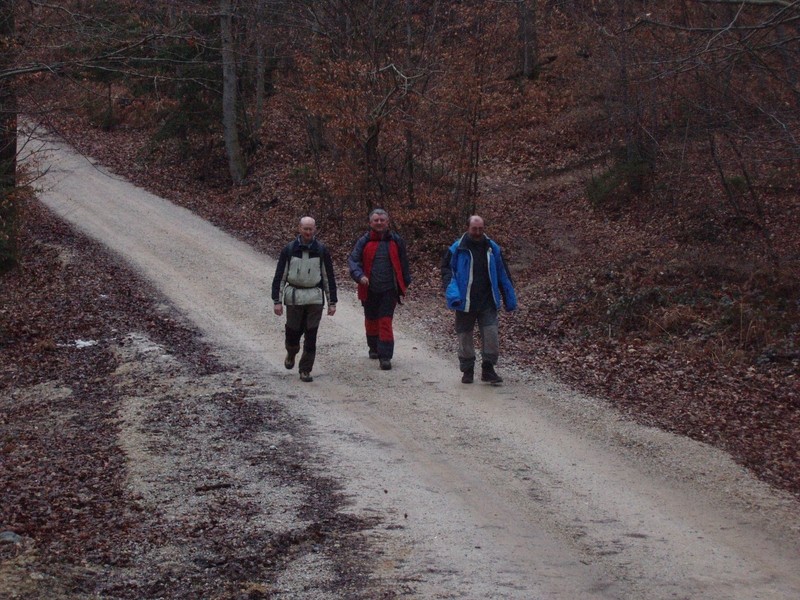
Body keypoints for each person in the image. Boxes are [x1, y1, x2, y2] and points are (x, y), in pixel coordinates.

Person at [441, 215, 517, 384]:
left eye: (480, 229)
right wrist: (451, 292)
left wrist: (509, 298)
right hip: (464, 302)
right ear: (467, 228)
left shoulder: (492, 248)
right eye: (474, 229)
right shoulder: (457, 248)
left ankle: (488, 370)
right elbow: (446, 271)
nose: (477, 232)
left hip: (488, 300)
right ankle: (467, 370)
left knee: (491, 336)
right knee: (464, 337)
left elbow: (503, 273)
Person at [272, 216, 337, 382]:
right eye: (305, 229)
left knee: (311, 334)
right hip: (294, 297)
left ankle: (305, 370)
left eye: (311, 229)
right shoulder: (289, 250)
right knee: (292, 332)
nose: (308, 232)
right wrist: (277, 301)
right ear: (299, 229)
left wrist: (332, 302)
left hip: (315, 298)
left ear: (315, 230)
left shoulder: (321, 250)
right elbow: (280, 276)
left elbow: (328, 277)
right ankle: (291, 352)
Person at [348, 208, 412, 371]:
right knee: (371, 320)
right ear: (370, 223)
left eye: (382, 220)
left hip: (389, 289)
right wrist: (359, 276)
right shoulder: (364, 241)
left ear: (387, 222)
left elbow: (404, 263)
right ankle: (374, 348)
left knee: (385, 321)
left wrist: (405, 282)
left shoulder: (396, 241)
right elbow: (353, 261)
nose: (379, 223)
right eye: (376, 220)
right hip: (368, 289)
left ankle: (385, 357)